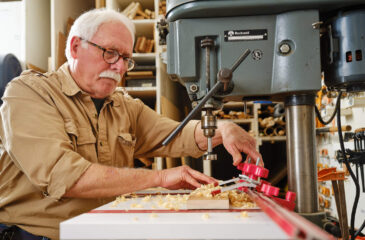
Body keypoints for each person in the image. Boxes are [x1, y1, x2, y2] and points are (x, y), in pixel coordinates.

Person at [0, 8, 262, 240]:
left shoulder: (124, 105)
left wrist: (222, 130)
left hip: (105, 228)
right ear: (75, 47)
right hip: (35, 235)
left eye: (126, 58)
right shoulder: (28, 93)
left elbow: (174, 134)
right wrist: (160, 178)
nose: (120, 67)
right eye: (110, 53)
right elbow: (65, 176)